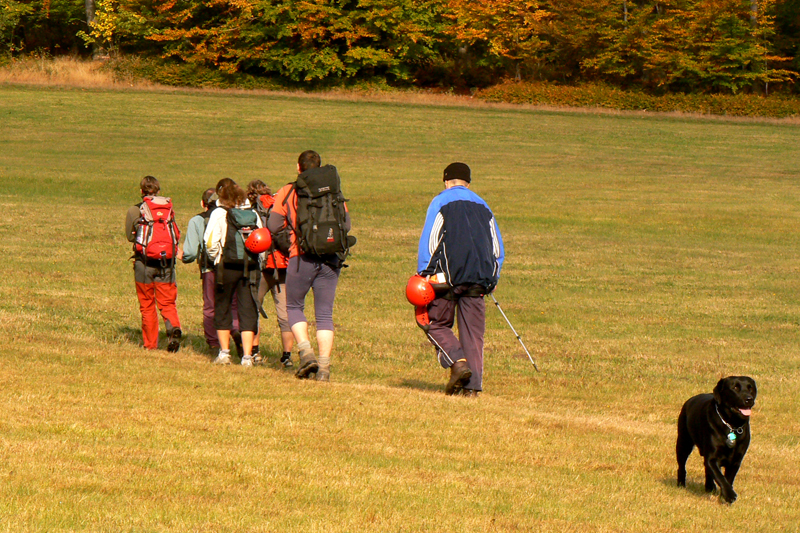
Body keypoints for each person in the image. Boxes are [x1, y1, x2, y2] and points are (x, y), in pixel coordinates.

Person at [416, 163, 504, 396]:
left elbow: (431, 241)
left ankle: (458, 362)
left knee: (433, 322)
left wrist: (423, 273)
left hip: (447, 278)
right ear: (468, 183)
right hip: (479, 278)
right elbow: (497, 248)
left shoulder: (440, 202)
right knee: (473, 333)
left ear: (446, 181)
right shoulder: (484, 205)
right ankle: (472, 389)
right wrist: (492, 277)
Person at [267, 150, 351, 382]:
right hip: (331, 258)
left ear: (298, 167)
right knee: (324, 314)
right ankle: (323, 369)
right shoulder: (333, 191)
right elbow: (347, 224)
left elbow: (273, 225)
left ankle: (306, 353)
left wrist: (289, 240)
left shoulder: (289, 191)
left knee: (294, 306)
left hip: (301, 256)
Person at [204, 178, 263, 366]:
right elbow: (262, 238)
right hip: (250, 267)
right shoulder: (252, 212)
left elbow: (210, 242)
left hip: (226, 267)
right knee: (247, 309)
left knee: (223, 307)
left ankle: (224, 352)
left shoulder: (219, 213)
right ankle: (247, 356)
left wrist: (216, 258)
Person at [125, 175, 182, 352]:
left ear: (142, 191)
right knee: (167, 303)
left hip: (144, 264)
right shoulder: (168, 209)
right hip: (167, 262)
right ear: (158, 190)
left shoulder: (135, 210)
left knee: (147, 304)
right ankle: (173, 329)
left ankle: (150, 345)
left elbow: (129, 236)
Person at [180, 188, 242, 353]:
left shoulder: (197, 221)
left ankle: (214, 343)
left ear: (202, 203)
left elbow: (191, 253)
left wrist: (183, 257)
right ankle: (235, 330)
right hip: (233, 266)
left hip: (211, 268)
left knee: (210, 306)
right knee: (233, 304)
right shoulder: (233, 215)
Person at [247, 180, 295, 368]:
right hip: (283, 264)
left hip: (262, 265)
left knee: (253, 308)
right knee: (285, 314)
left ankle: (255, 351)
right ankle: (287, 356)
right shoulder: (280, 204)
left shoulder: (254, 210)